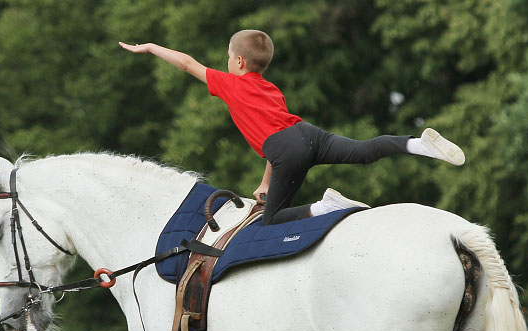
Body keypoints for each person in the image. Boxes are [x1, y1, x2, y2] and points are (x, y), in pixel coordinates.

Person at [119, 30, 465, 226]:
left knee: (272, 220)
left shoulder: (230, 83)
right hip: (308, 135)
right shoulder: (270, 88)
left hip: (287, 149)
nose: (225, 62)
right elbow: (278, 135)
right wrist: (266, 182)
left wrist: (150, 48)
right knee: (363, 152)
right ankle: (416, 143)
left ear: (238, 62)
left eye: (228, 56)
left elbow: (186, 63)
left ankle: (326, 207)